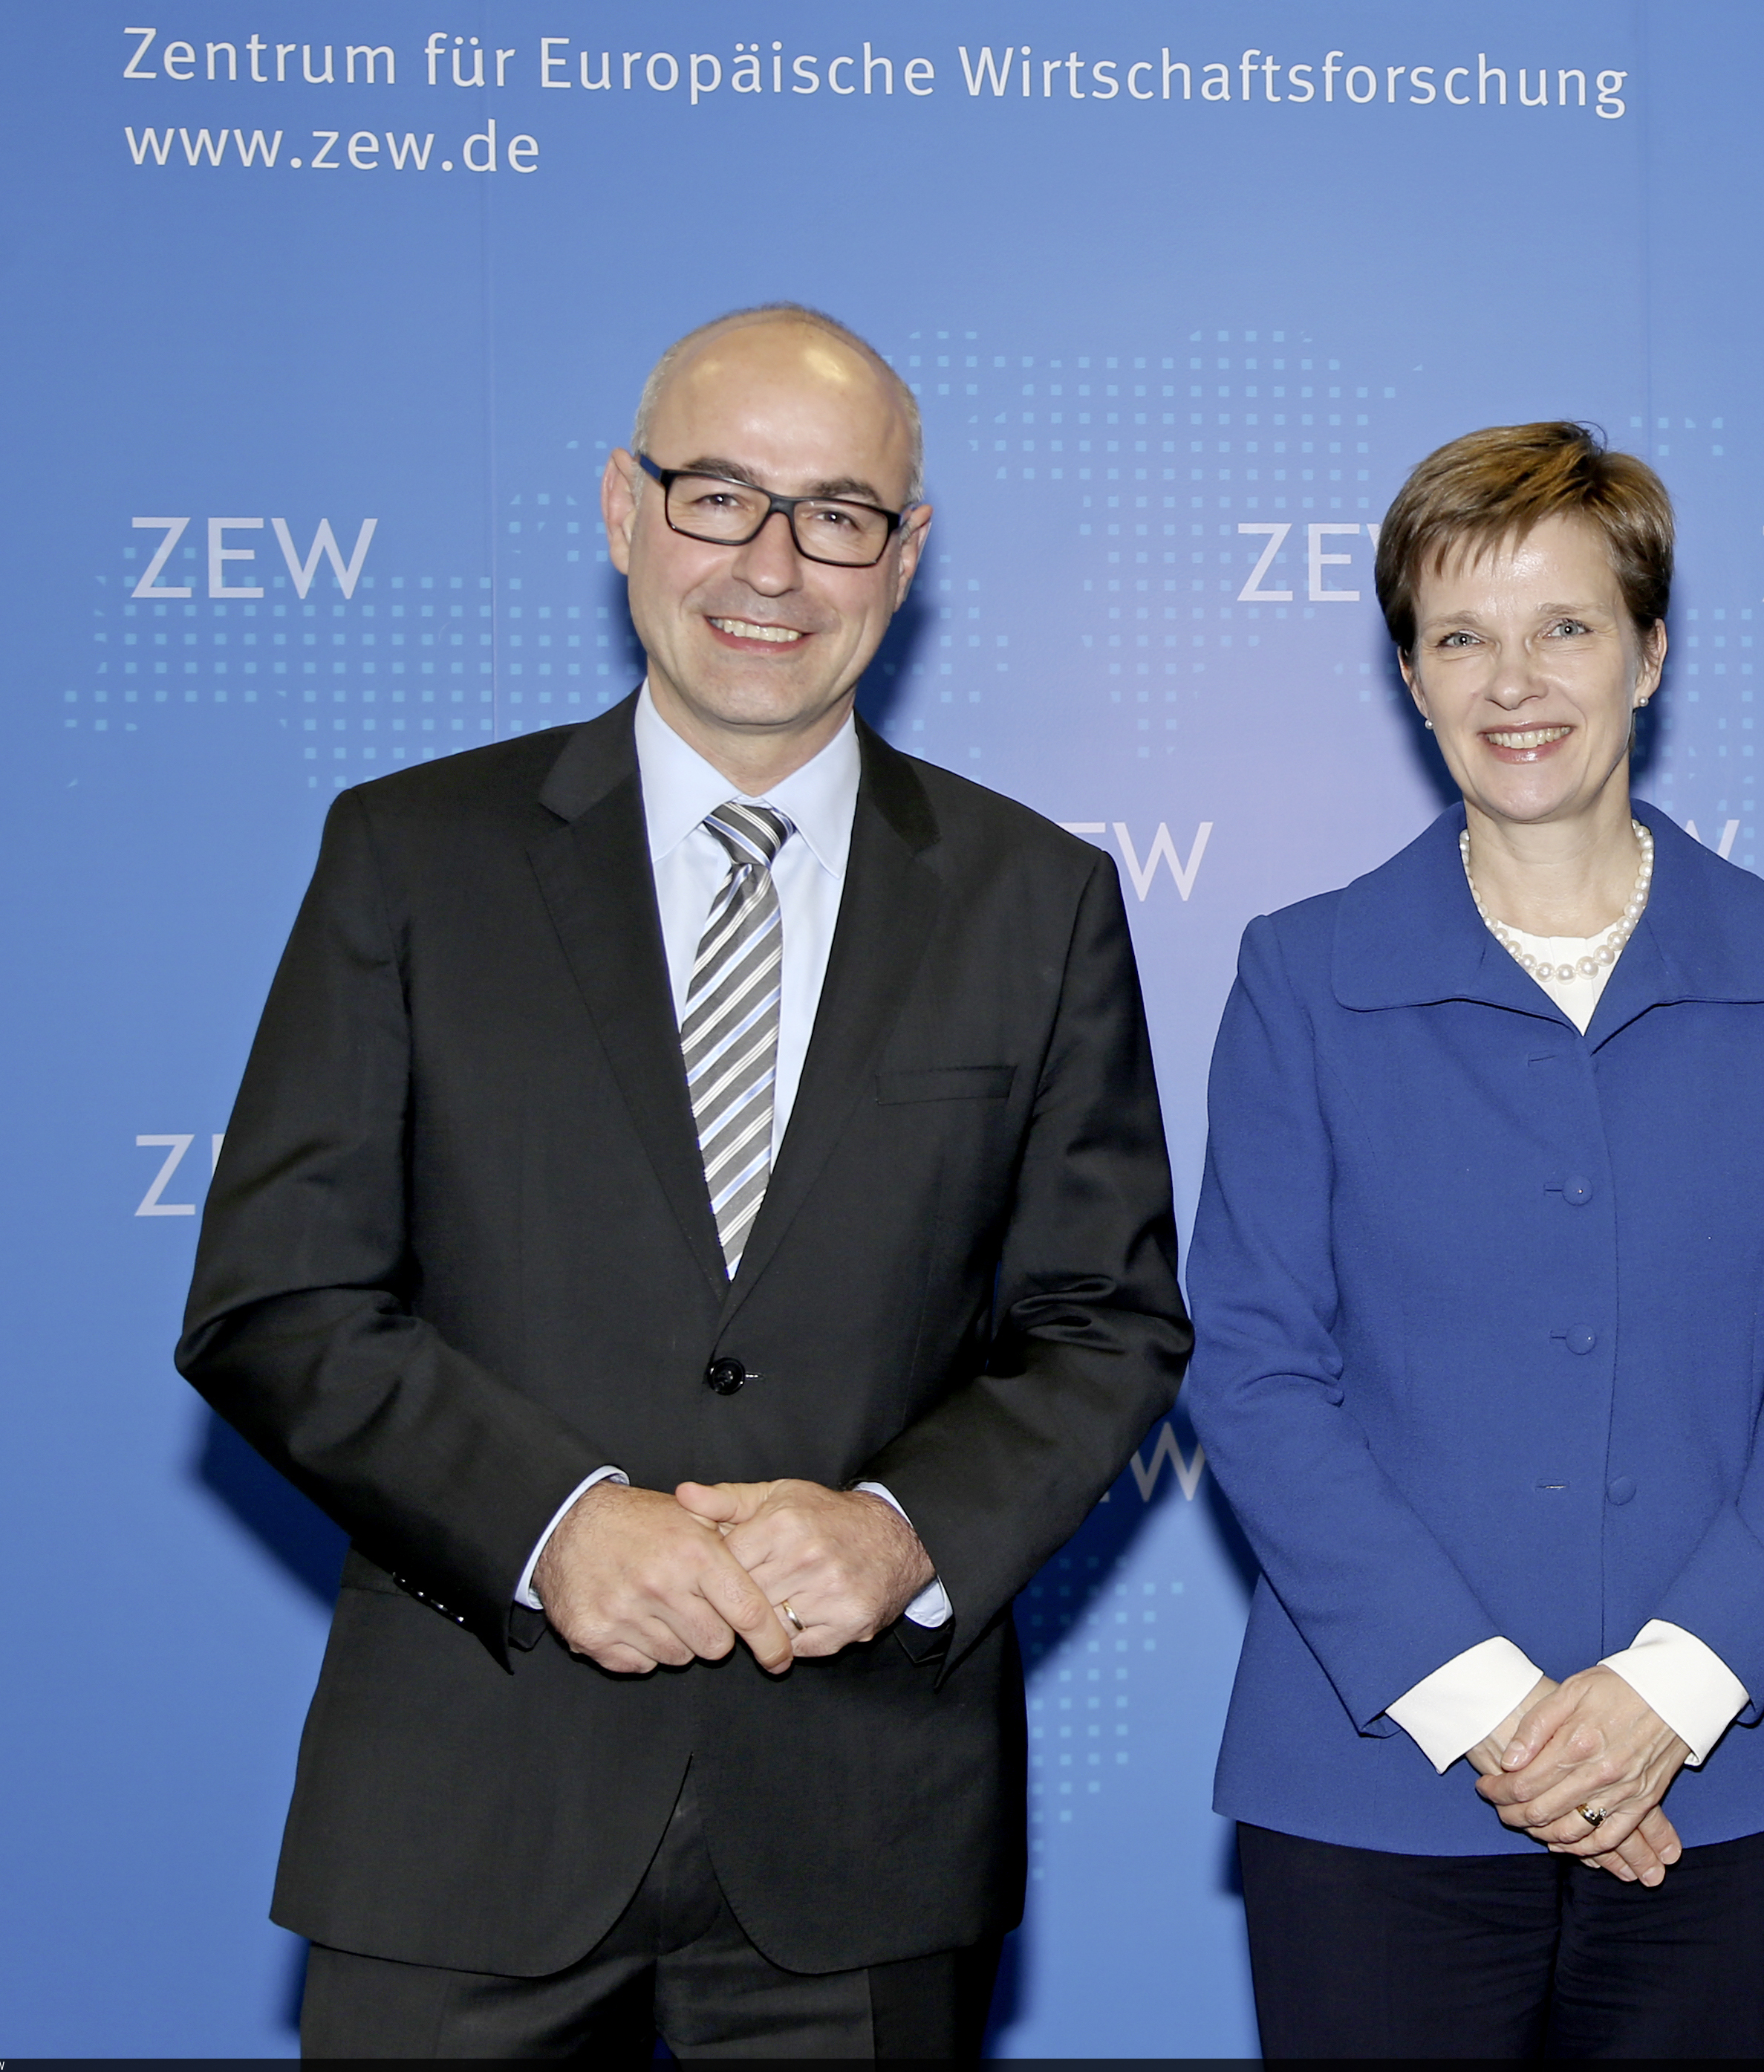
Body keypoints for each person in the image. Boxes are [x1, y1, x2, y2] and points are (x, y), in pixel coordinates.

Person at [177, 303, 1190, 2058]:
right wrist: (556, 1523)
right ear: (622, 509)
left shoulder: (1040, 901)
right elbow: (280, 1299)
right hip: (467, 1809)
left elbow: (1103, 1324)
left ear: (908, 553)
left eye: (839, 514)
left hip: (863, 1832)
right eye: (720, 496)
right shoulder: (409, 857)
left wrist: (900, 1532)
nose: (775, 566)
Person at [1184, 423, 1764, 2059]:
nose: (1516, 683)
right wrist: (1500, 1716)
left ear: (1649, 652)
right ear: (1410, 674)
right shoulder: (1303, 976)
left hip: (1729, 1773)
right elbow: (1254, 1372)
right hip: (1379, 1780)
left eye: (1566, 628)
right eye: (1463, 637)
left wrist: (1664, 1697)